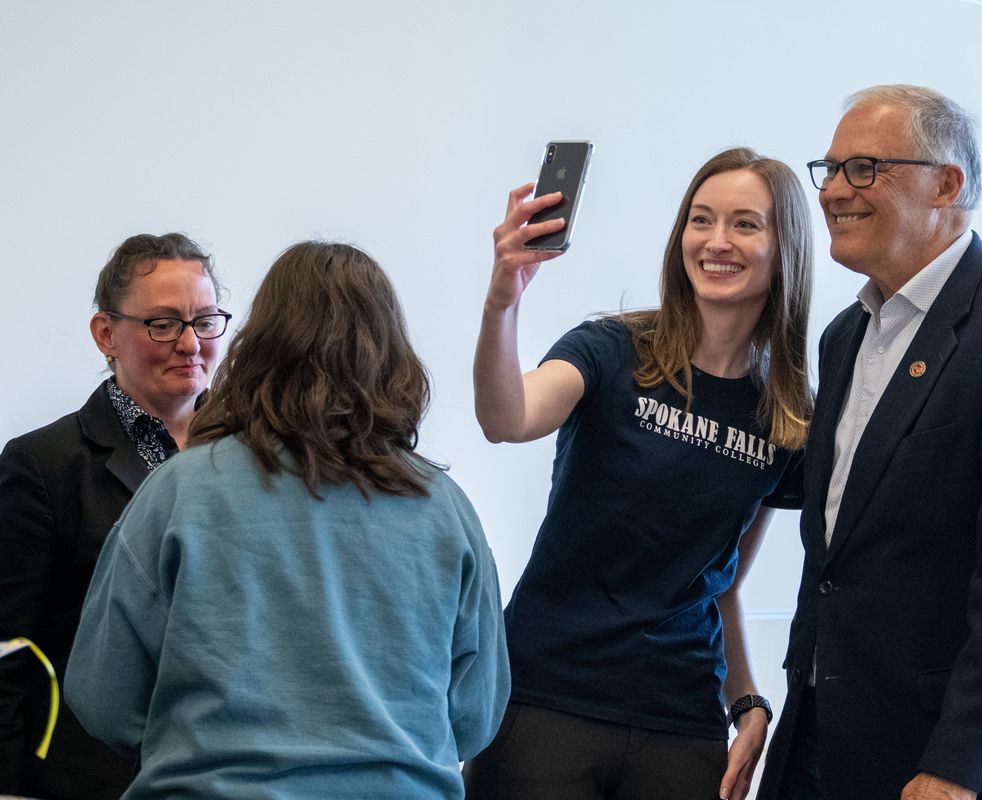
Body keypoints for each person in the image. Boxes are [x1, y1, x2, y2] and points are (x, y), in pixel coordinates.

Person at [756, 85, 982, 800]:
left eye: (865, 169)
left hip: (941, 760)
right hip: (826, 734)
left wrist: (960, 763)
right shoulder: (845, 336)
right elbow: (838, 551)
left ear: (946, 184)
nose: (833, 192)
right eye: (831, 169)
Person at [64, 241, 509, 799]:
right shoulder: (448, 509)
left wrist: (192, 744)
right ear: (392, 354)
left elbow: (102, 697)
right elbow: (475, 718)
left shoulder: (179, 490)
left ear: (260, 345)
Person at [464, 147, 814, 800]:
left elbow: (726, 582)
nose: (716, 241)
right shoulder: (610, 349)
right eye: (701, 220)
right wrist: (500, 301)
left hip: (678, 723)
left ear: (783, 246)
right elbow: (506, 416)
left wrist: (748, 702)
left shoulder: (785, 416)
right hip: (546, 699)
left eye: (744, 224)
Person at [0, 232, 226, 799]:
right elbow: (7, 656)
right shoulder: (43, 465)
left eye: (204, 321)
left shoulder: (254, 460)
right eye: (163, 323)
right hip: (88, 778)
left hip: (223, 771)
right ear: (106, 333)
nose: (190, 343)